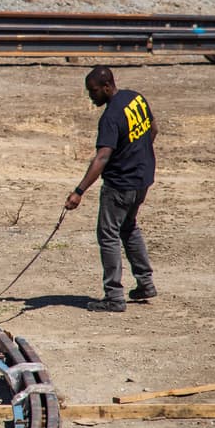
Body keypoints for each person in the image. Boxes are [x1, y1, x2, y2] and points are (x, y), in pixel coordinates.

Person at [65, 65, 158, 312]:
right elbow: (153, 129)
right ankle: (145, 284)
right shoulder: (135, 98)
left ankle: (114, 297)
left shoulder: (110, 117)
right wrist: (138, 155)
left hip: (120, 185)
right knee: (129, 228)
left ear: (107, 87)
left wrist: (79, 191)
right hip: (143, 178)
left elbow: (102, 158)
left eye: (93, 91)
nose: (91, 96)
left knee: (108, 236)